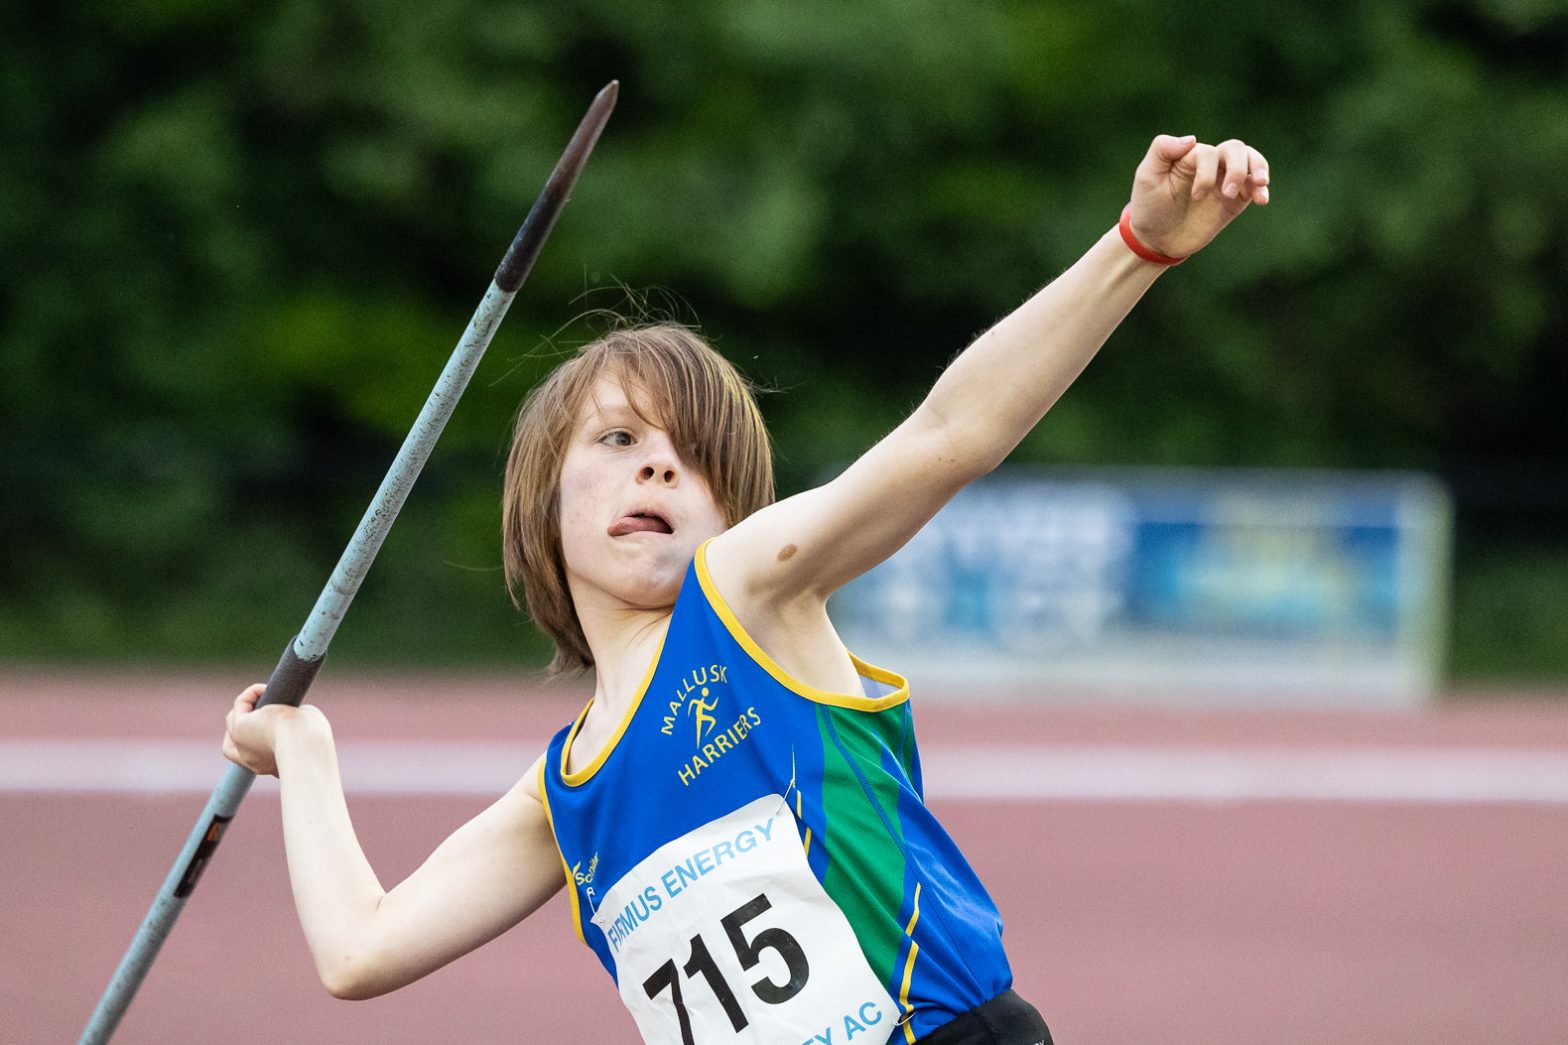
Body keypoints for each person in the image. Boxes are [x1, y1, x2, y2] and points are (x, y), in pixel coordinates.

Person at [223, 132, 1269, 1044]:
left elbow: (950, 436)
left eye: (696, 459)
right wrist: (305, 755)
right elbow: (357, 951)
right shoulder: (562, 799)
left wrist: (1133, 249)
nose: (660, 467)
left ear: (737, 517)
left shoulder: (743, 600)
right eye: (619, 439)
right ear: (543, 502)